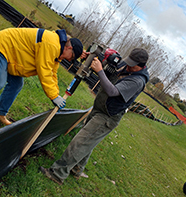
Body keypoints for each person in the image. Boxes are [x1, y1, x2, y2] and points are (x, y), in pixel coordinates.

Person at [40, 48, 150, 185]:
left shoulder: (137, 81)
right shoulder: (127, 66)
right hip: (100, 107)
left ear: (141, 65)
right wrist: (94, 57)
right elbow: (110, 63)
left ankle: (57, 173)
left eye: (132, 65)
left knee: (80, 142)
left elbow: (112, 91)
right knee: (87, 141)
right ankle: (77, 168)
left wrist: (100, 71)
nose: (127, 66)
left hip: (107, 116)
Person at [0, 27, 84, 125]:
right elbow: (44, 72)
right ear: (69, 48)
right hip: (4, 46)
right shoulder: (51, 44)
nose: (68, 60)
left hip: (14, 55)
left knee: (16, 84)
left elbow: (52, 74)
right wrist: (53, 96)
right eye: (71, 57)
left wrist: (57, 95)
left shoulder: (57, 51)